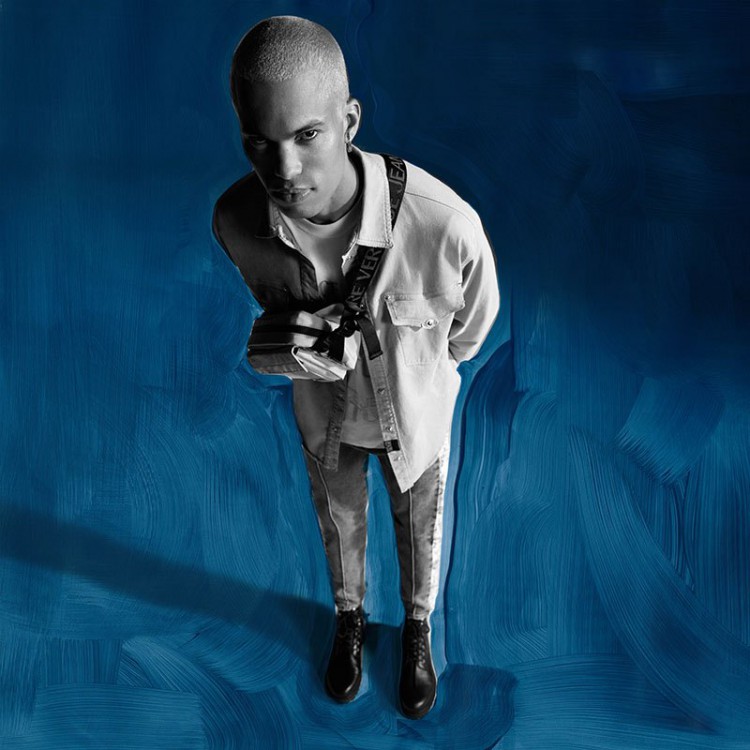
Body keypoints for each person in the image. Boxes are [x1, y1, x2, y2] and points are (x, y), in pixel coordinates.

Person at [212, 16, 500, 719]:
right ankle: (349, 620)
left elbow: (472, 328)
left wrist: (424, 374)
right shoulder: (236, 221)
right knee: (338, 527)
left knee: (420, 536)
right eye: (259, 142)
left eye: (307, 135)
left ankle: (418, 631)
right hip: (324, 417)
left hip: (417, 424)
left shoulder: (444, 225)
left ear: (349, 121)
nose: (283, 169)